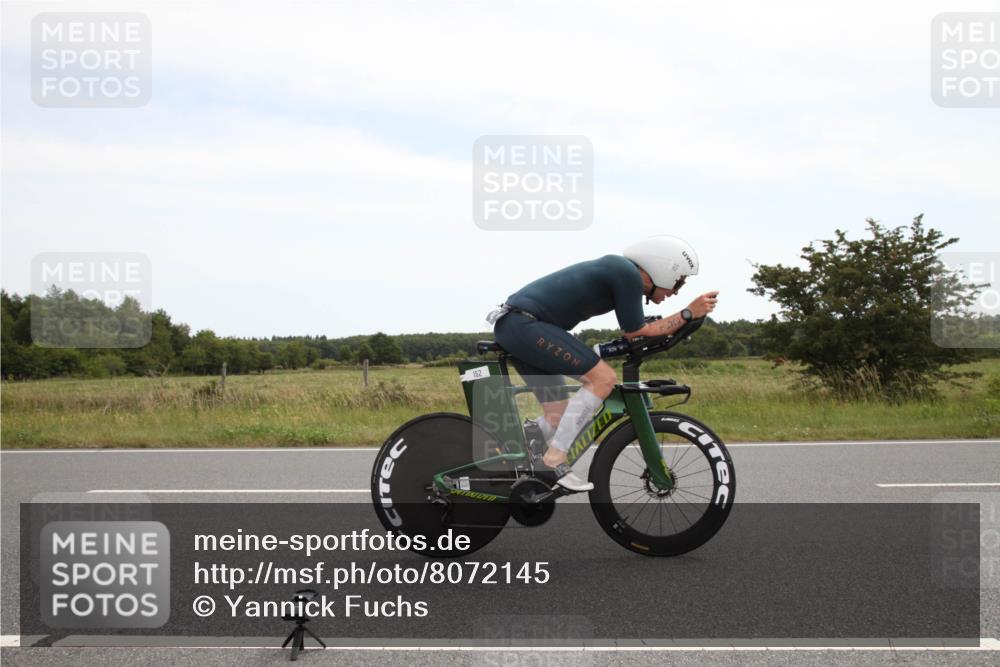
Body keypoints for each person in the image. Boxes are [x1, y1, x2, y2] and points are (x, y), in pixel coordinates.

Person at [487, 236, 719, 492]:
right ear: (664, 269)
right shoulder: (626, 273)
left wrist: (682, 320)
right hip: (525, 325)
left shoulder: (622, 273)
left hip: (520, 325)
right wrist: (687, 313)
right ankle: (553, 461)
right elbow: (637, 332)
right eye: (678, 282)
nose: (675, 291)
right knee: (603, 379)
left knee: (558, 414)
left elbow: (641, 330)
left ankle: (527, 443)